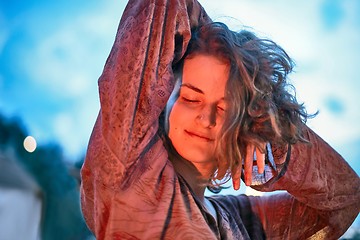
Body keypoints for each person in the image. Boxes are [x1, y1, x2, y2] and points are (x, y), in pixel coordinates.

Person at [80, 0, 360, 239]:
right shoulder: (131, 171)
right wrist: (227, 54)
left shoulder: (245, 220)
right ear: (163, 99)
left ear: (245, 125)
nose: (207, 117)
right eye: (191, 97)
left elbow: (346, 198)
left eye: (227, 108)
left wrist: (268, 129)